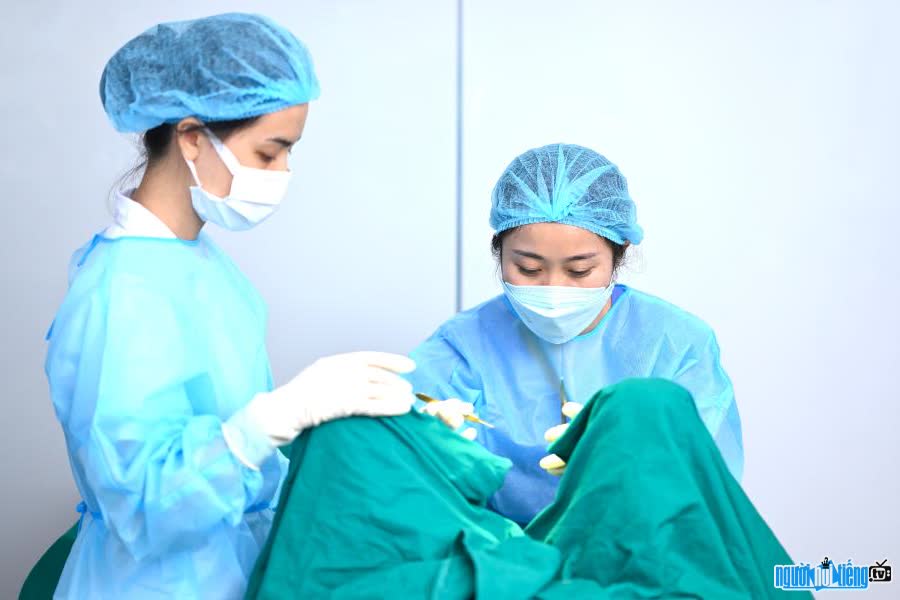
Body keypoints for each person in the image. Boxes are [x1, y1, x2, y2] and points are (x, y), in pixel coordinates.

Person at [43, 13, 416, 599]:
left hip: (223, 568)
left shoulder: (199, 263)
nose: (283, 173)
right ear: (192, 137)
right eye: (270, 153)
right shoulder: (123, 290)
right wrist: (269, 420)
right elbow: (141, 503)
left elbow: (222, 441)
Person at [409, 144, 744, 525]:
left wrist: (628, 459)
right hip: (506, 557)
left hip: (640, 550)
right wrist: (421, 439)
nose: (554, 288)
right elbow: (408, 473)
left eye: (580, 271)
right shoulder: (466, 344)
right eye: (529, 269)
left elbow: (707, 487)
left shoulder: (676, 343)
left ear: (621, 253)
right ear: (499, 252)